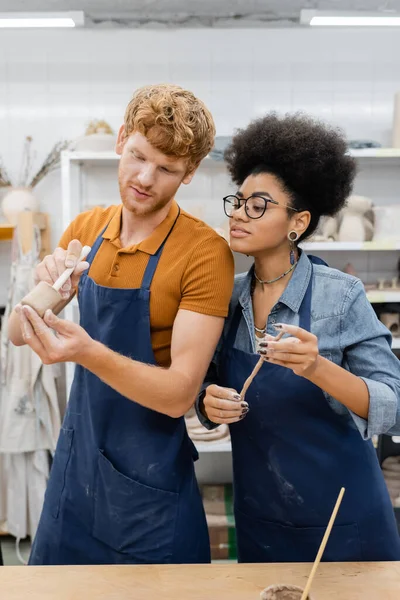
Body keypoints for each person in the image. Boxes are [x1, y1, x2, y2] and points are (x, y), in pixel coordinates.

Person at [8, 84, 234, 565]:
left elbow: (178, 395)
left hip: (148, 492)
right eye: (138, 156)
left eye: (167, 169)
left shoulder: (204, 253)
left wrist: (87, 352)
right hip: (75, 471)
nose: (145, 178)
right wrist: (46, 291)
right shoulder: (87, 231)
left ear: (189, 172)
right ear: (121, 140)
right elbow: (14, 333)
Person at [198, 113, 400, 563]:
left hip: (344, 522)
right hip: (262, 520)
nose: (238, 214)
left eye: (259, 205)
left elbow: (395, 404)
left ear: (298, 221)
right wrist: (207, 402)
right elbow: (204, 384)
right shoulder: (228, 299)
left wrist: (316, 367)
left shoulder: (340, 295)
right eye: (238, 201)